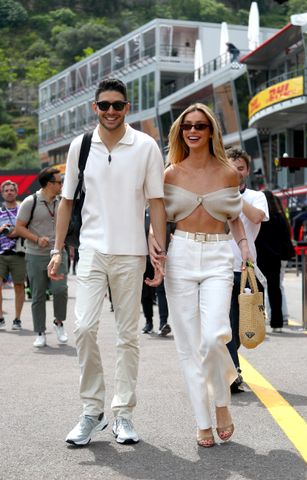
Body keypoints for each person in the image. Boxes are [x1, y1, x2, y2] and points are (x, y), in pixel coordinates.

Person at [47, 78, 166, 446]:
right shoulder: (80, 146)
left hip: (132, 252)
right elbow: (66, 202)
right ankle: (91, 410)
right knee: (82, 328)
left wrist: (158, 254)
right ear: (94, 108)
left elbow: (157, 203)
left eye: (118, 105)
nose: (111, 111)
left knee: (128, 336)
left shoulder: (145, 146)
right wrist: (56, 248)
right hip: (91, 250)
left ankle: (124, 414)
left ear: (127, 107)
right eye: (104, 105)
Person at [149, 103, 251, 448]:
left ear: (211, 132)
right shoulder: (170, 173)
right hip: (181, 254)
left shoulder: (227, 172)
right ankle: (202, 420)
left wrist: (244, 248)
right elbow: (159, 220)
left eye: (201, 126)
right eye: (187, 126)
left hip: (220, 254)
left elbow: (234, 215)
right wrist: (158, 255)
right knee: (188, 347)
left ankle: (222, 402)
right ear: (180, 132)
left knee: (213, 337)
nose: (193, 131)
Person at [225, 148, 269, 393]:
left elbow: (256, 218)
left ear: (247, 171)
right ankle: (233, 372)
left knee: (244, 329)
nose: (236, 173)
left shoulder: (255, 196)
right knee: (227, 326)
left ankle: (229, 366)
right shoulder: (216, 194)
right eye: (231, 168)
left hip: (246, 270)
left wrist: (233, 195)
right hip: (220, 269)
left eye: (240, 168)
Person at [15, 168, 68, 347]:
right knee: (38, 294)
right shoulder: (31, 202)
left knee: (60, 290)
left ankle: (59, 323)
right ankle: (40, 332)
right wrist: (36, 239)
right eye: (59, 182)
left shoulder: (62, 201)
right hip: (35, 254)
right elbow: (19, 227)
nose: (62, 185)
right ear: (48, 184)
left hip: (59, 253)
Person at [255, 190, 295, 332]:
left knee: (258, 291)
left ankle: (258, 323)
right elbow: (285, 238)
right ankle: (277, 323)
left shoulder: (258, 218)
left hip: (259, 257)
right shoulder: (280, 217)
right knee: (274, 289)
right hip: (275, 258)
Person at [141, 207, 171, 336]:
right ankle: (149, 322)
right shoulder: (143, 212)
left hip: (163, 258)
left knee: (162, 291)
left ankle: (163, 323)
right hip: (145, 258)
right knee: (146, 293)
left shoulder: (166, 212)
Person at [0, 180, 26, 330]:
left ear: (16, 192)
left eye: (12, 190)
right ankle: (0, 318)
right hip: (1, 253)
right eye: (6, 190)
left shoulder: (23, 209)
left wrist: (17, 231)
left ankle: (17, 319)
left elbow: (29, 227)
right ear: (3, 193)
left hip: (19, 253)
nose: (9, 192)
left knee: (18, 286)